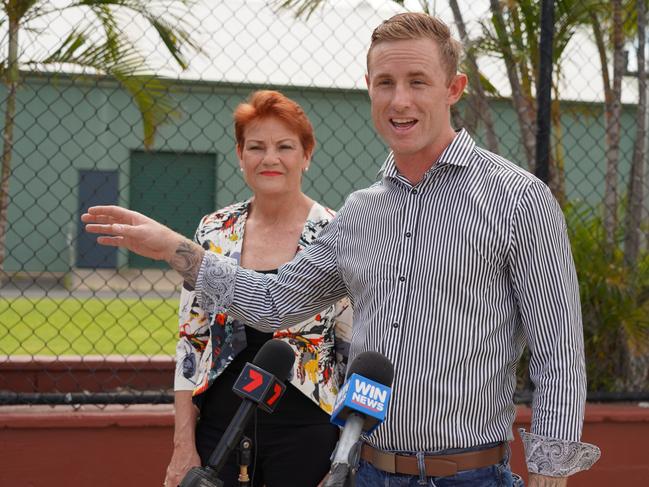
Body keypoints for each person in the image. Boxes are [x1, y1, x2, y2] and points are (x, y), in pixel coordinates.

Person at [83, 13, 600, 487]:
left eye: (417, 82)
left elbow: (559, 352)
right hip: (365, 472)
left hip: (470, 476)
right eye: (385, 83)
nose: (400, 100)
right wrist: (179, 250)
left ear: (454, 89)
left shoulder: (518, 198)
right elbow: (277, 302)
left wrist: (550, 474)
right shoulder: (359, 212)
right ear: (369, 90)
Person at [158, 90, 351, 487]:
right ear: (240, 155)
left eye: (284, 146)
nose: (270, 158)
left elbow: (354, 350)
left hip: (308, 432)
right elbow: (190, 341)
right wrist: (183, 444)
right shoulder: (212, 231)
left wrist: (344, 459)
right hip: (219, 430)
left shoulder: (338, 234)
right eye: (256, 147)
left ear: (307, 155)